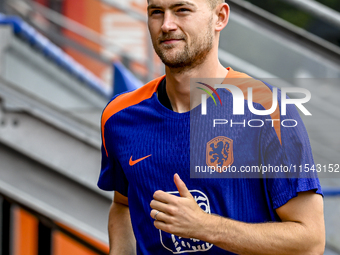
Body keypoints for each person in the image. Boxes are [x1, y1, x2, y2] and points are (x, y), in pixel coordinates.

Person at [97, 0, 325, 254]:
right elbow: (124, 205)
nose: (166, 25)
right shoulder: (119, 116)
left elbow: (310, 241)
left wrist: (205, 227)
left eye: (182, 10)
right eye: (156, 13)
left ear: (220, 17)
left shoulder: (268, 109)